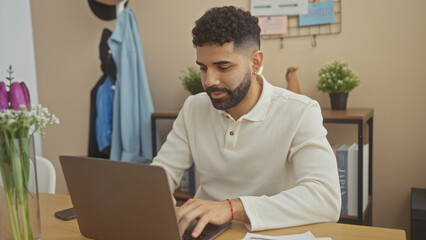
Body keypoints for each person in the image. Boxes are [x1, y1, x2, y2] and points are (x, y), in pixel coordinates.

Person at [151, 6, 340, 238]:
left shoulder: (300, 111)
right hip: (204, 233)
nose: (210, 81)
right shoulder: (193, 108)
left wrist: (231, 208)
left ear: (255, 62)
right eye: (203, 68)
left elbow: (325, 199)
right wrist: (153, 195)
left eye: (223, 67)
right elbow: (162, 173)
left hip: (268, 233)